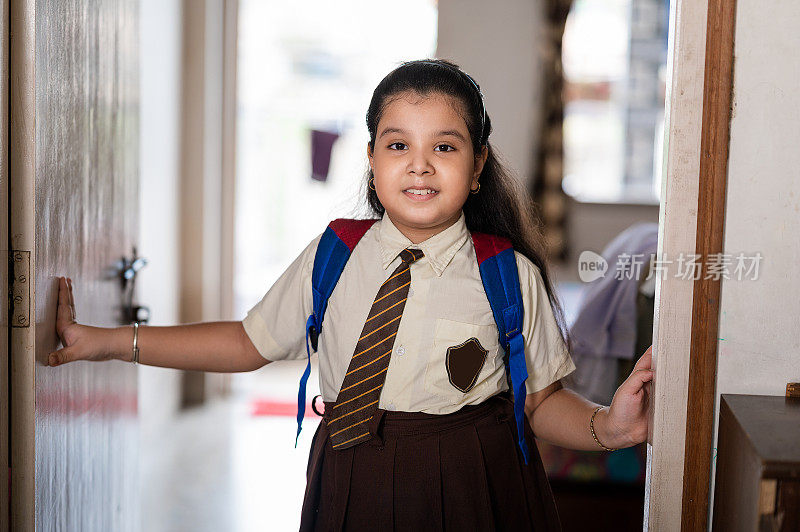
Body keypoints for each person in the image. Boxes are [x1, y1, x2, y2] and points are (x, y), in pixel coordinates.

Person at [50, 59, 653, 531]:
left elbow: (540, 402)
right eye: (398, 145)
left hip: (476, 481)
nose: (420, 166)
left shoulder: (506, 272)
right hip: (348, 473)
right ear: (370, 159)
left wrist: (610, 426)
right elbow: (245, 342)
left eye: (444, 147)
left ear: (477, 167)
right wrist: (102, 343)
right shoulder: (333, 254)